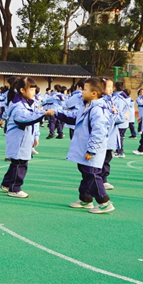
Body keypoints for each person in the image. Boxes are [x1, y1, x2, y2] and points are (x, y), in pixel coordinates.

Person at [48, 78, 115, 214]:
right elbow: (74, 116)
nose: (81, 91)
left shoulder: (97, 109)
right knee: (86, 172)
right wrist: (56, 112)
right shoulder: (88, 106)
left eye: (84, 89)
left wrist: (92, 149)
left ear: (94, 93)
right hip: (84, 147)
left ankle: (104, 202)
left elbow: (99, 131)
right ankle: (86, 198)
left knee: (92, 174)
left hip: (91, 149)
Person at [1, 77, 45, 198]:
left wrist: (36, 136)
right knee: (20, 163)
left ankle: (6, 184)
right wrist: (42, 113)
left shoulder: (28, 102)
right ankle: (14, 188)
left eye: (34, 89)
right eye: (31, 89)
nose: (34, 92)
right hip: (18, 139)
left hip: (24, 138)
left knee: (16, 162)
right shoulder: (18, 105)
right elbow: (24, 119)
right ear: (22, 90)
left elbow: (33, 121)